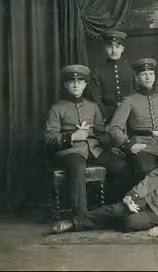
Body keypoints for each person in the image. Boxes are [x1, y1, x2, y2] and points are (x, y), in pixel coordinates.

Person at [52, 115, 158, 234]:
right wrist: (134, 194)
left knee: (130, 222)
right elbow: (157, 176)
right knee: (120, 207)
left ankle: (110, 219)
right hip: (157, 196)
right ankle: (74, 223)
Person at [45, 65, 128, 217]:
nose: (76, 85)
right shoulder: (57, 109)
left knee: (121, 166)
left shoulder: (92, 106)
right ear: (66, 85)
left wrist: (107, 141)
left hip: (94, 149)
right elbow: (49, 138)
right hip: (71, 151)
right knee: (78, 168)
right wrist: (71, 137)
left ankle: (117, 211)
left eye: (80, 81)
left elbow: (100, 132)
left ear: (85, 85)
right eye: (72, 82)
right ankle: (81, 217)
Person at [108, 58, 158, 182]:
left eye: (151, 73)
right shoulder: (129, 100)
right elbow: (114, 128)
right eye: (144, 74)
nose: (148, 77)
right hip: (142, 144)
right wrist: (129, 145)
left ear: (155, 76)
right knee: (146, 170)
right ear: (137, 78)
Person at [89, 30, 137, 124]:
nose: (113, 51)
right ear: (105, 49)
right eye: (109, 47)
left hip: (130, 115)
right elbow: (96, 98)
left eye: (117, 46)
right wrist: (107, 116)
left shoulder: (131, 70)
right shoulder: (98, 71)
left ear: (122, 48)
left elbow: (136, 94)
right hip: (107, 116)